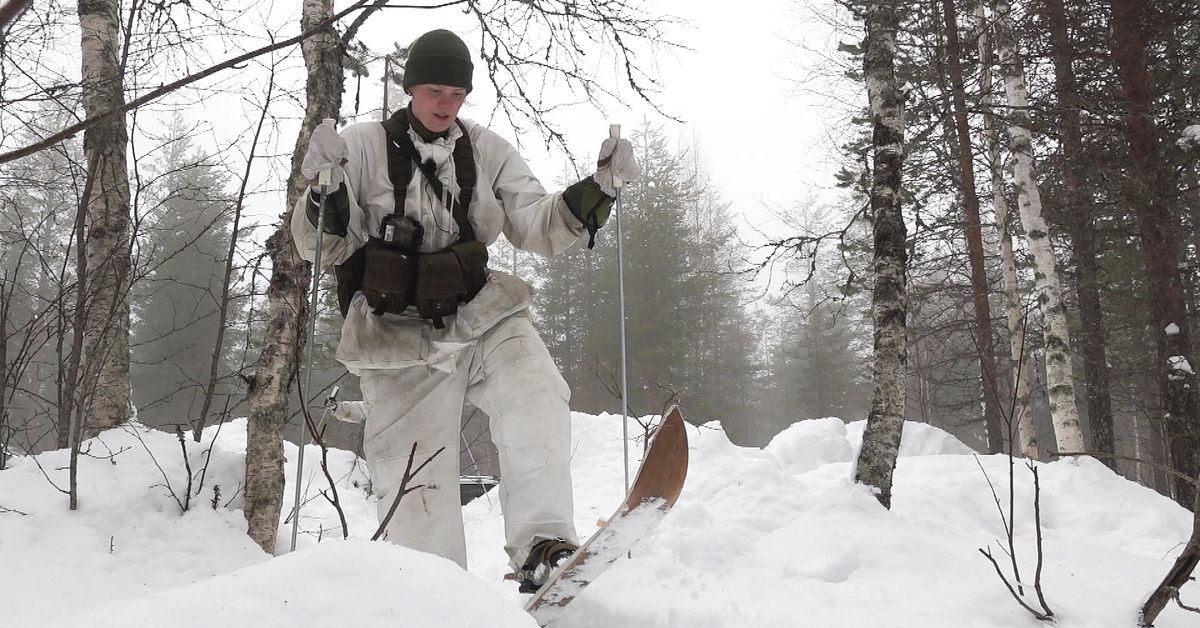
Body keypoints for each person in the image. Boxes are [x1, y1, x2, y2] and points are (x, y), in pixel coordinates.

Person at [290, 28, 639, 593]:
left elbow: (537, 225)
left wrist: (601, 187)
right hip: (395, 334)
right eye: (433, 90)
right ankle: (439, 599)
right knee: (418, 492)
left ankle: (545, 550)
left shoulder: (488, 150)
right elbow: (320, 247)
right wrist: (321, 189)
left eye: (456, 93)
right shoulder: (360, 147)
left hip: (480, 313)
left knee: (536, 391)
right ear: (410, 88)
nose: (444, 104)